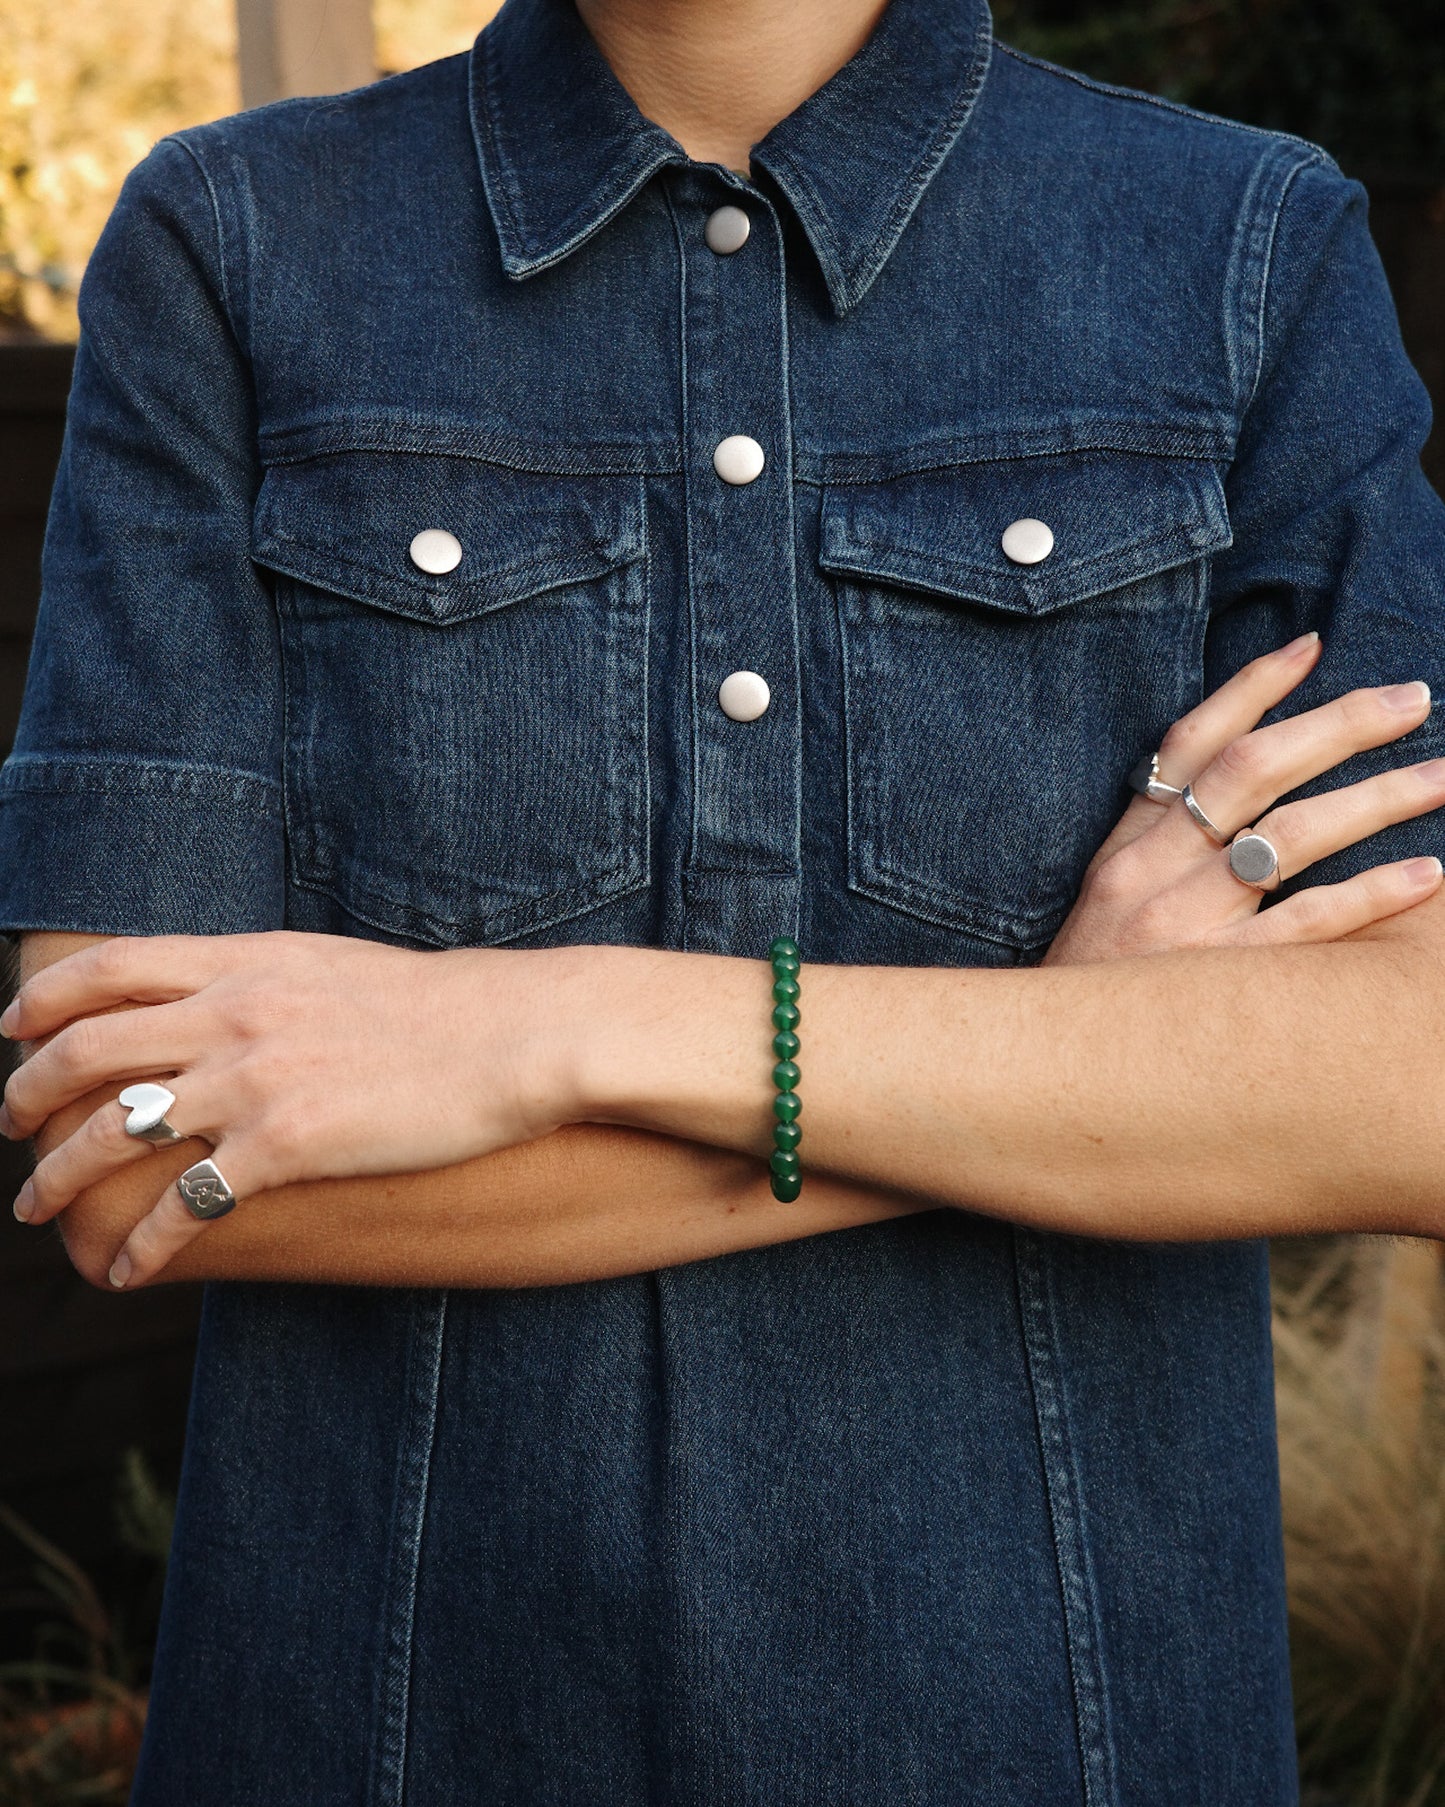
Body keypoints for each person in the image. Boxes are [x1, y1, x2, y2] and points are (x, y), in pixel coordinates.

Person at [1, 0, 1442, 1798]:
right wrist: (1067, 1052)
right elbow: (133, 1150)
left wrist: (552, 1030)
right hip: (393, 1729)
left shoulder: (1238, 244)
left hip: (1062, 1731)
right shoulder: (235, 238)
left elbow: (1406, 1089)